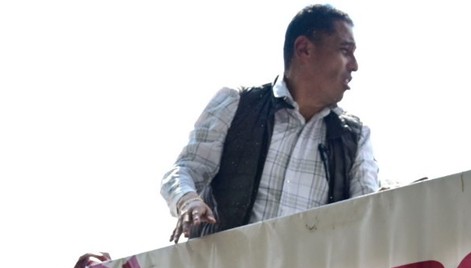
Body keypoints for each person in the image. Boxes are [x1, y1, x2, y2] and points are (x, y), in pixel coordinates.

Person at [161, 4, 379, 243]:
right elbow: (185, 169)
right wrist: (188, 201)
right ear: (304, 49)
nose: (354, 65)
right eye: (345, 51)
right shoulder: (237, 105)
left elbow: (370, 214)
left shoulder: (355, 137)